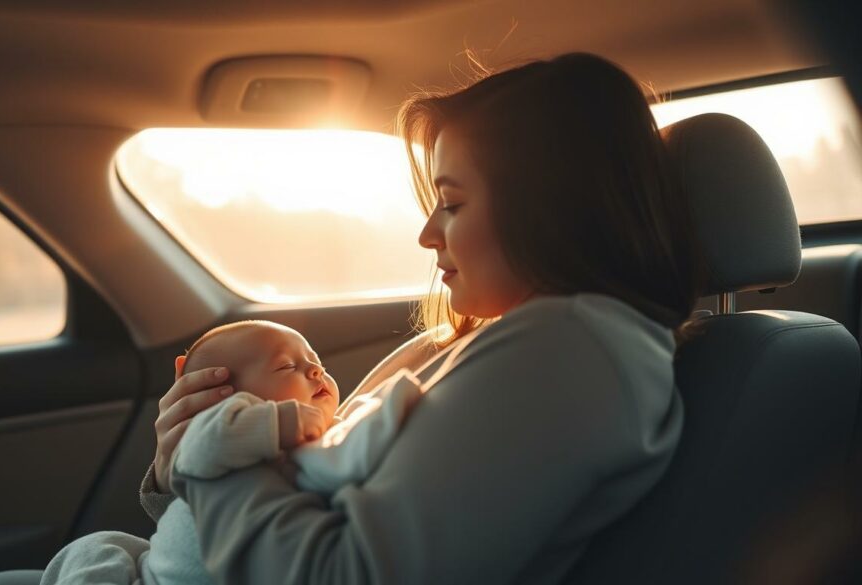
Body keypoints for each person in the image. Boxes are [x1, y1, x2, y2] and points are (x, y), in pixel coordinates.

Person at [142, 52, 705, 585]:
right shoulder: (470, 342)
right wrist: (183, 474)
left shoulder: (568, 357)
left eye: (453, 204)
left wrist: (214, 454)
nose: (427, 233)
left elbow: (340, 575)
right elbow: (302, 492)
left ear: (549, 208)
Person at [40, 320, 426, 585]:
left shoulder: (320, 441)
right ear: (223, 399)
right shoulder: (223, 427)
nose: (316, 373)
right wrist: (283, 421)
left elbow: (351, 457)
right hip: (158, 572)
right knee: (103, 546)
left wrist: (389, 409)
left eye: (318, 365)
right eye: (288, 366)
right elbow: (206, 445)